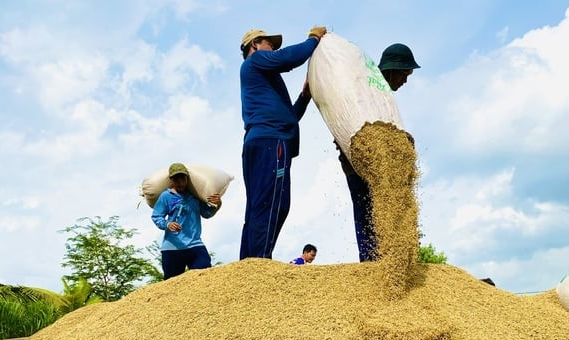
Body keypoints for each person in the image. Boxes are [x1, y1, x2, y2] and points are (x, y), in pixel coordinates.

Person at [239, 26, 327, 260]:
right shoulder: (256, 61)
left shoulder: (264, 81)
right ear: (255, 44)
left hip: (263, 140)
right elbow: (288, 58)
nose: (272, 49)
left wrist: (304, 97)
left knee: (264, 204)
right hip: (270, 141)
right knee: (271, 203)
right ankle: (258, 263)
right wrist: (313, 39)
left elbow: (289, 117)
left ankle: (247, 264)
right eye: (269, 44)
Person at [337, 43, 420, 262]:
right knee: (368, 216)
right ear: (392, 69)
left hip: (385, 166)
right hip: (359, 164)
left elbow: (386, 123)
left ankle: (393, 263)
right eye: (404, 74)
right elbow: (348, 113)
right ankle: (372, 267)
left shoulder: (384, 94)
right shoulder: (366, 86)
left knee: (388, 216)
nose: (405, 80)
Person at [151, 163, 222, 280]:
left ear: (187, 178)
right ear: (171, 180)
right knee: (171, 287)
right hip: (172, 248)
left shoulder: (196, 195)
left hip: (195, 244)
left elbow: (207, 213)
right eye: (176, 179)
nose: (180, 182)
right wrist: (167, 224)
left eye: (182, 178)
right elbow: (156, 216)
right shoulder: (166, 196)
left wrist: (218, 204)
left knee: (206, 279)